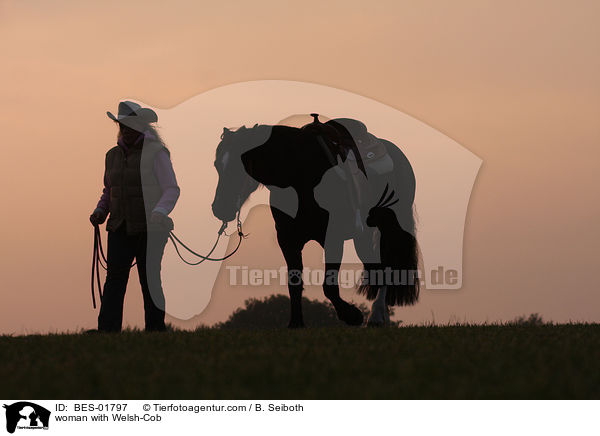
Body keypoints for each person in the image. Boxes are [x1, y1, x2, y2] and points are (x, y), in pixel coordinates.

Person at [89, 101, 180, 332]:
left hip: (151, 229)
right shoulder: (112, 156)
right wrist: (100, 211)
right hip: (119, 226)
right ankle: (108, 331)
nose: (126, 129)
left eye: (131, 125)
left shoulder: (157, 153)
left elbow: (171, 188)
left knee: (149, 282)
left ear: (141, 125)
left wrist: (160, 212)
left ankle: (155, 329)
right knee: (114, 281)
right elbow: (110, 191)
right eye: (123, 125)